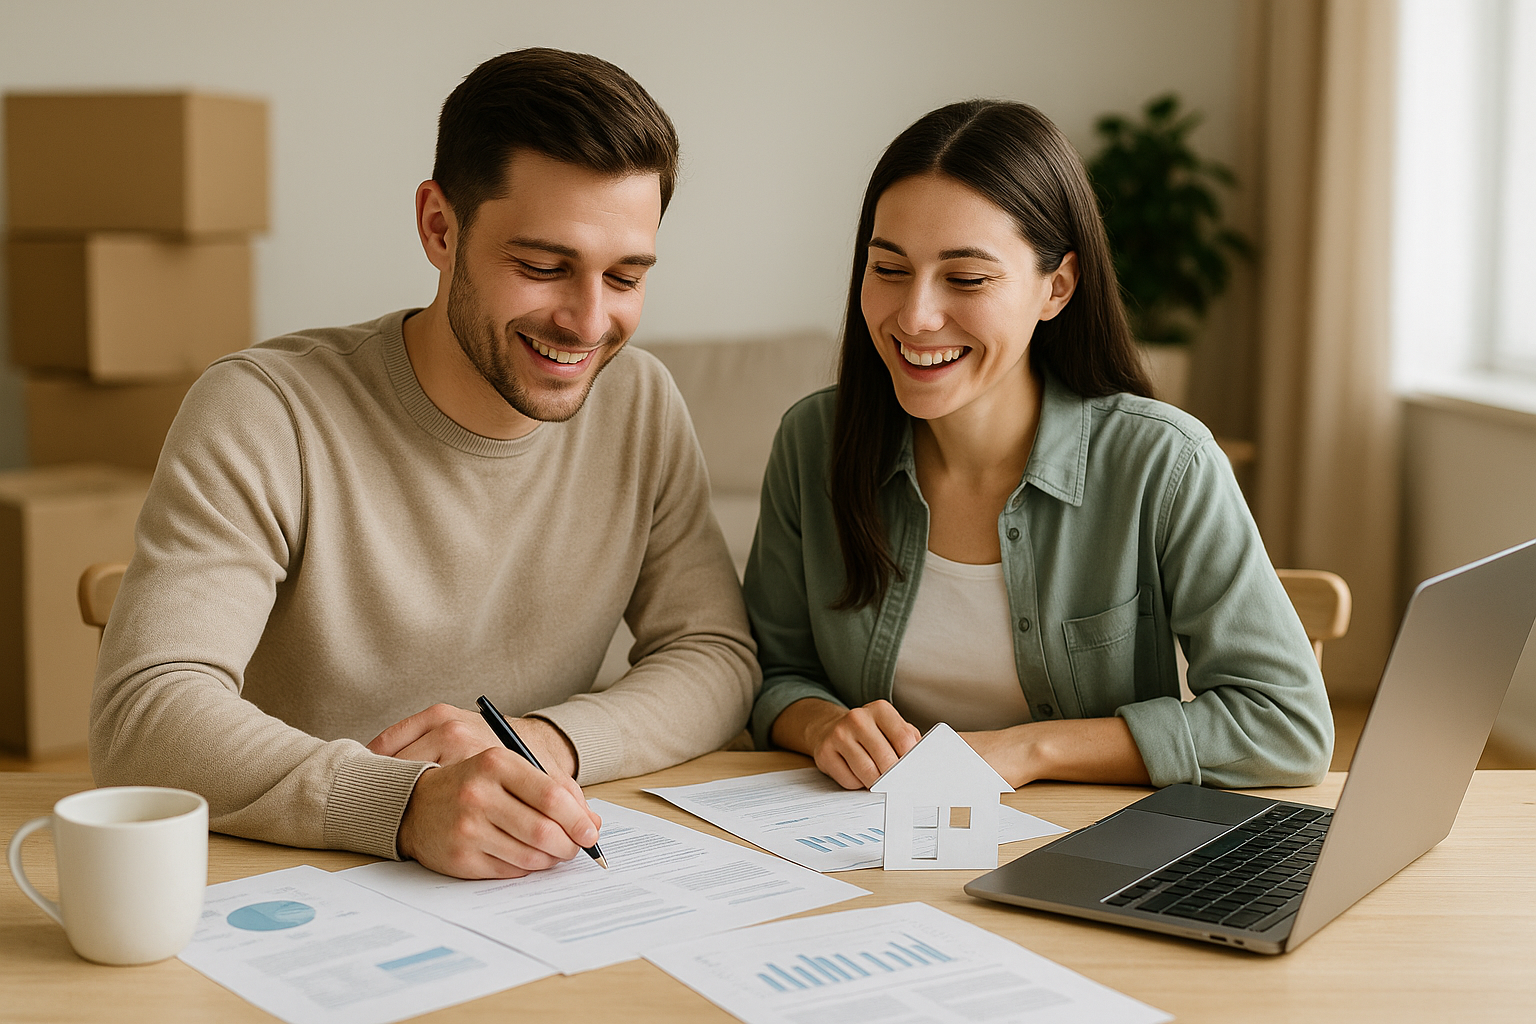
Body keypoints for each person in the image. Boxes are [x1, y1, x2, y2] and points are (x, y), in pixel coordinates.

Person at [90, 48, 758, 880]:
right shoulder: (265, 410)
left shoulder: (641, 404)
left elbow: (718, 657)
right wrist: (402, 804)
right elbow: (144, 716)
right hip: (288, 886)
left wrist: (541, 746)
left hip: (529, 883)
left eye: (624, 276)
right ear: (440, 227)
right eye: (543, 267)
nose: (589, 322)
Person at [745, 99, 1331, 792]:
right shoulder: (813, 442)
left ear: (1057, 287)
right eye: (889, 269)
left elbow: (1285, 723)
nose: (915, 316)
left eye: (966, 278)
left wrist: (1029, 752)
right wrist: (818, 723)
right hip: (861, 845)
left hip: (1083, 848)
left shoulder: (1164, 464)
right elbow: (771, 673)